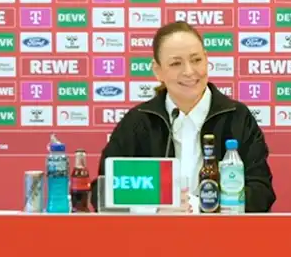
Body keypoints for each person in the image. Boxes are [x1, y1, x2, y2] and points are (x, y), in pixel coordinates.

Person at [90, 21, 276, 212]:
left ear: (206, 60)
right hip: (153, 238)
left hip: (222, 236)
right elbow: (102, 193)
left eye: (196, 60)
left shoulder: (236, 117)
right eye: (176, 63)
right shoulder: (138, 122)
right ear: (158, 71)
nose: (189, 71)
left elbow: (261, 192)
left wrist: (203, 208)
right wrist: (153, 210)